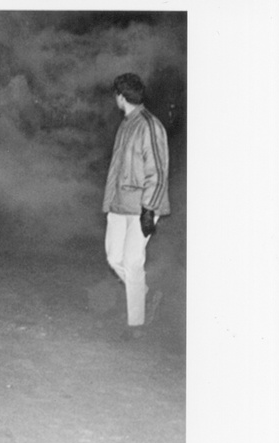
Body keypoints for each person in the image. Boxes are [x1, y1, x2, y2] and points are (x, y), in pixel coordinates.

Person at [102, 73, 170, 340]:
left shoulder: (149, 125)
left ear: (121, 96)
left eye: (115, 95)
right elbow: (117, 169)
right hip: (119, 205)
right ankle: (144, 294)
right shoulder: (126, 124)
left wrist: (149, 209)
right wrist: (109, 202)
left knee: (132, 262)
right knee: (114, 258)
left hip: (142, 207)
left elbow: (158, 171)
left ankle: (136, 324)